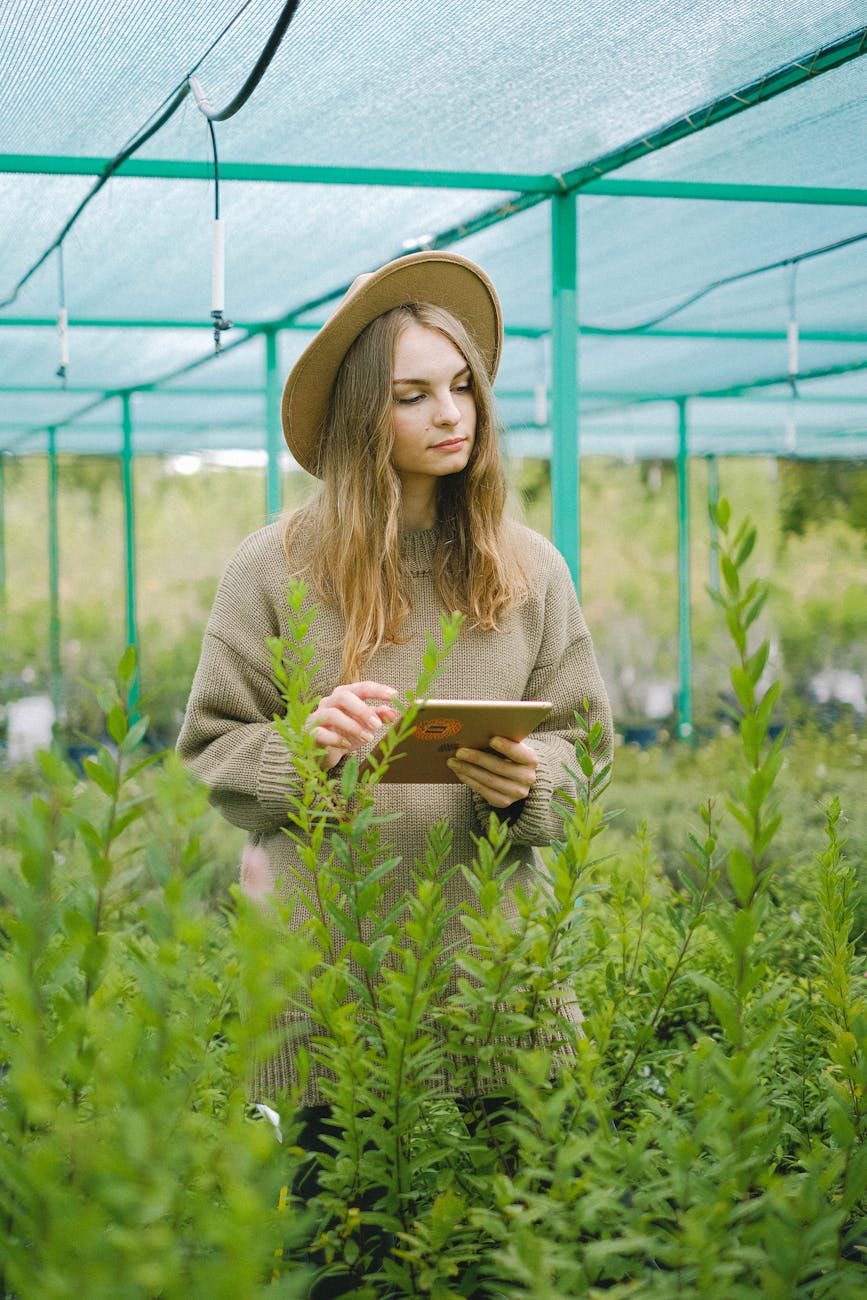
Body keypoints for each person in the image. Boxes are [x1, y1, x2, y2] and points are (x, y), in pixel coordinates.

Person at [177, 249, 613, 1284]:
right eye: (412, 395)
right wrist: (302, 749)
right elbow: (210, 748)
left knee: (505, 1261)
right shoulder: (272, 568)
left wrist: (533, 780)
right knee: (338, 1260)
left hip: (497, 985)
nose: (450, 414)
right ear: (361, 414)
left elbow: (587, 742)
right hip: (325, 990)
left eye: (461, 386)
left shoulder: (530, 567)